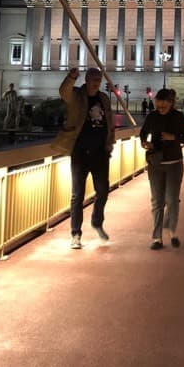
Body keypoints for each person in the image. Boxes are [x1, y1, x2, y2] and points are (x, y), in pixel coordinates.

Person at [58, 67, 115, 249]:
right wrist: (71, 77)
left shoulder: (104, 98)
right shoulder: (77, 95)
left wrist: (109, 145)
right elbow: (63, 92)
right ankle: (75, 233)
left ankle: (97, 221)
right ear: (86, 80)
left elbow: (110, 122)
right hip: (80, 153)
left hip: (100, 154)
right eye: (92, 79)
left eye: (98, 80)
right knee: (77, 195)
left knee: (103, 191)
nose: (96, 83)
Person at [140, 88, 184, 250]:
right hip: (156, 163)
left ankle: (171, 230)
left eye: (163, 106)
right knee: (157, 201)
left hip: (174, 163)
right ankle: (157, 238)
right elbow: (143, 134)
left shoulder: (178, 117)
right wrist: (144, 143)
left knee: (172, 200)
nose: (160, 109)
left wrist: (173, 137)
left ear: (170, 103)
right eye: (158, 106)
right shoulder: (152, 116)